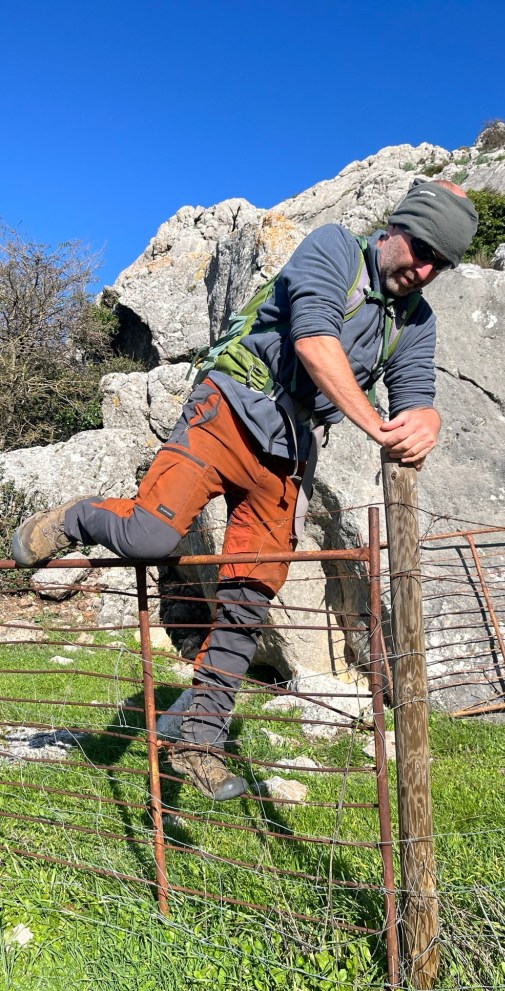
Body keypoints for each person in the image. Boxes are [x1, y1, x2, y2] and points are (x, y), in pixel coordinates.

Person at [12, 178, 478, 801]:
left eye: (438, 265)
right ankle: (75, 516)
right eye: (420, 250)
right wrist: (377, 425)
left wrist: (427, 420)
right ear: (395, 228)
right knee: (150, 535)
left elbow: (416, 394)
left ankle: (199, 739)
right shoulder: (335, 248)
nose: (423, 271)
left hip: (290, 452)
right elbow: (313, 339)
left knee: (249, 596)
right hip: (230, 408)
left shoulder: (416, 321)